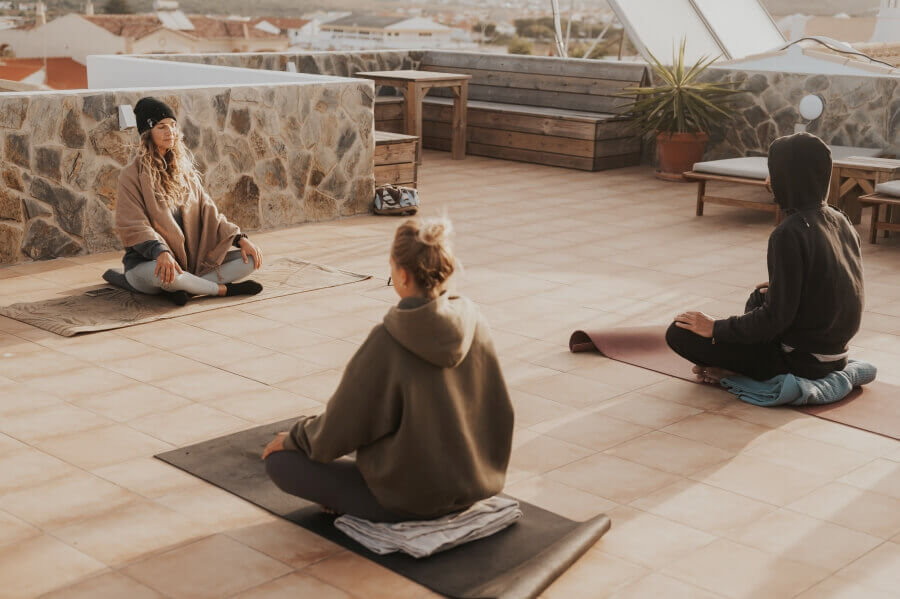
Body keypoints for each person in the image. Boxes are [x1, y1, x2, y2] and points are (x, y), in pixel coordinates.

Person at [262, 218, 514, 522]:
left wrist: (294, 438)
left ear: (403, 275)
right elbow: (501, 412)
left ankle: (351, 501)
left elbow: (337, 429)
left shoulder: (387, 341)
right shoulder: (475, 321)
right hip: (477, 484)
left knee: (281, 462)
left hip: (411, 500)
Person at [666, 132, 864, 383]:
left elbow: (774, 319)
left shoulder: (788, 233)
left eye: (774, 171)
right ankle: (742, 364)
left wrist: (714, 327)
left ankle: (745, 371)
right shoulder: (840, 219)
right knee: (760, 296)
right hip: (837, 354)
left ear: (791, 177)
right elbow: (839, 284)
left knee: (678, 333)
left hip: (803, 362)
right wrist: (789, 289)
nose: (768, 181)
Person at [115, 97, 264, 306]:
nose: (171, 132)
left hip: (189, 265)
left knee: (249, 261)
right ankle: (220, 290)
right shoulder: (131, 175)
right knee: (167, 275)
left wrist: (241, 239)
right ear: (147, 134)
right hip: (147, 265)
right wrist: (161, 252)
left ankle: (185, 288)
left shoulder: (185, 173)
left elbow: (210, 212)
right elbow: (133, 224)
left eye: (173, 126)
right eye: (162, 127)